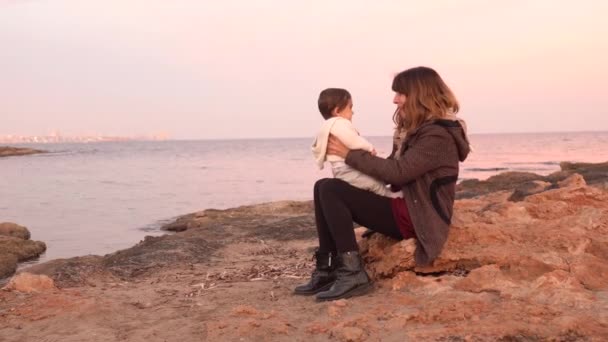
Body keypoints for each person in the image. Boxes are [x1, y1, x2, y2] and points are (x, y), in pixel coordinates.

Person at [294, 66, 471, 301]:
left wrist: (349, 155)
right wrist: (354, 170)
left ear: (418, 94)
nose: (395, 99)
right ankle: (328, 269)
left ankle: (353, 273)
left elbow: (397, 174)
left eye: (400, 93)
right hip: (405, 207)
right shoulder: (417, 130)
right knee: (323, 186)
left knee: (331, 189)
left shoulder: (437, 136)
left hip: (417, 217)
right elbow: (393, 168)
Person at [312, 88, 401, 198]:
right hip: (348, 167)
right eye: (350, 107)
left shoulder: (326, 127)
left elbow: (316, 146)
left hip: (340, 170)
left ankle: (385, 191)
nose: (352, 111)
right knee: (371, 183)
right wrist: (369, 148)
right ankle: (389, 195)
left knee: (325, 186)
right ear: (337, 111)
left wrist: (320, 161)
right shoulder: (340, 123)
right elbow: (353, 140)